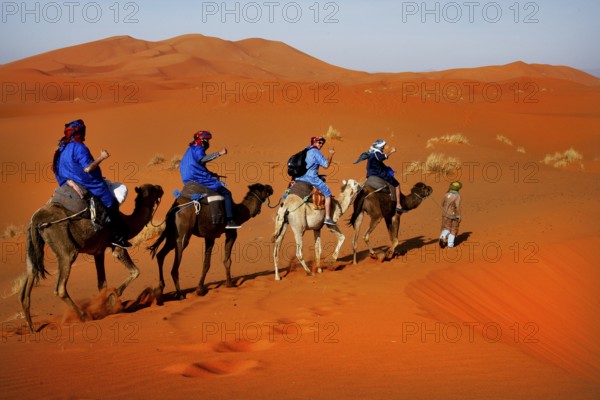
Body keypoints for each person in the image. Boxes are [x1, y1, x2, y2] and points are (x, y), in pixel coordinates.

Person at [52, 119, 132, 248]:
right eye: (83, 132)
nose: (85, 135)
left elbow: (57, 169)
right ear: (78, 133)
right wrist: (102, 157)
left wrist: (69, 181)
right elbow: (88, 168)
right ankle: (117, 237)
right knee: (111, 202)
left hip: (68, 183)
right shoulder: (79, 147)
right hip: (89, 183)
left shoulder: (62, 148)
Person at [179, 130, 240, 229]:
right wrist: (219, 153)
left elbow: (198, 166)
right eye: (207, 139)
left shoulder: (190, 149)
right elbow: (202, 159)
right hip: (198, 178)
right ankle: (230, 220)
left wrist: (211, 174)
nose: (208, 142)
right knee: (226, 193)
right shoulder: (199, 146)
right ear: (202, 139)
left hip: (187, 178)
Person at [295, 136, 336, 225]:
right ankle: (328, 218)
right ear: (313, 142)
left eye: (322, 143)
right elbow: (326, 165)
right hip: (311, 178)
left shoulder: (305, 150)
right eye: (319, 142)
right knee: (328, 193)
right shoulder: (316, 152)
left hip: (299, 177)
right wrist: (331, 154)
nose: (321, 144)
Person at [354, 139, 404, 213]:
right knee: (397, 185)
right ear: (379, 147)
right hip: (379, 174)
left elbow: (379, 163)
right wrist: (391, 151)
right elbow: (382, 157)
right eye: (382, 147)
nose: (383, 148)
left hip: (369, 175)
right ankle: (398, 205)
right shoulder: (376, 153)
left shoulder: (371, 154)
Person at [439, 181, 463, 248]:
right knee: (454, 228)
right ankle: (450, 244)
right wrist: (459, 216)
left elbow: (442, 204)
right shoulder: (457, 196)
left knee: (446, 227)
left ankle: (443, 236)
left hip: (445, 214)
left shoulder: (446, 194)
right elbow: (457, 207)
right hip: (453, 215)